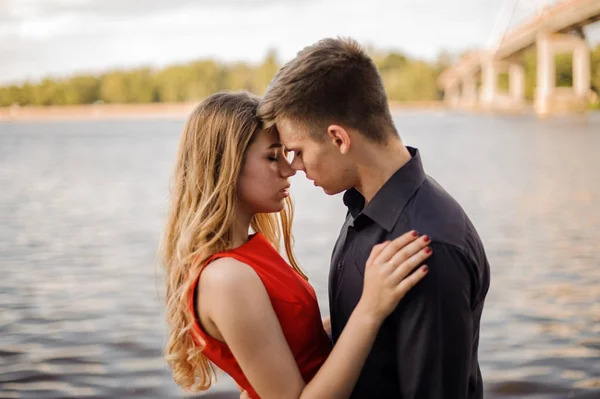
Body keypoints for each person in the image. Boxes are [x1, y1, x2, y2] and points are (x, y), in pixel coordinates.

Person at [258, 37, 491, 399]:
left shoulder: (428, 246)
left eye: (298, 151)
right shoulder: (365, 208)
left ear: (338, 139)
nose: (295, 167)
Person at [160, 91, 432, 399]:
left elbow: (301, 346)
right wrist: (370, 309)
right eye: (272, 157)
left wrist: (380, 299)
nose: (290, 170)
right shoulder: (226, 279)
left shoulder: (247, 255)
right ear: (227, 166)